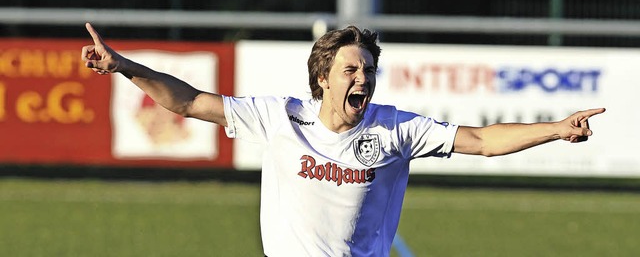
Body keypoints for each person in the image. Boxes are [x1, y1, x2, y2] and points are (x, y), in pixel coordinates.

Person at [81, 23, 605, 256]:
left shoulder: (396, 128)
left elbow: (483, 140)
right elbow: (188, 101)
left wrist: (557, 130)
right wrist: (124, 65)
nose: (363, 78)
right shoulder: (279, 117)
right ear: (323, 78)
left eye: (369, 70)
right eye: (352, 69)